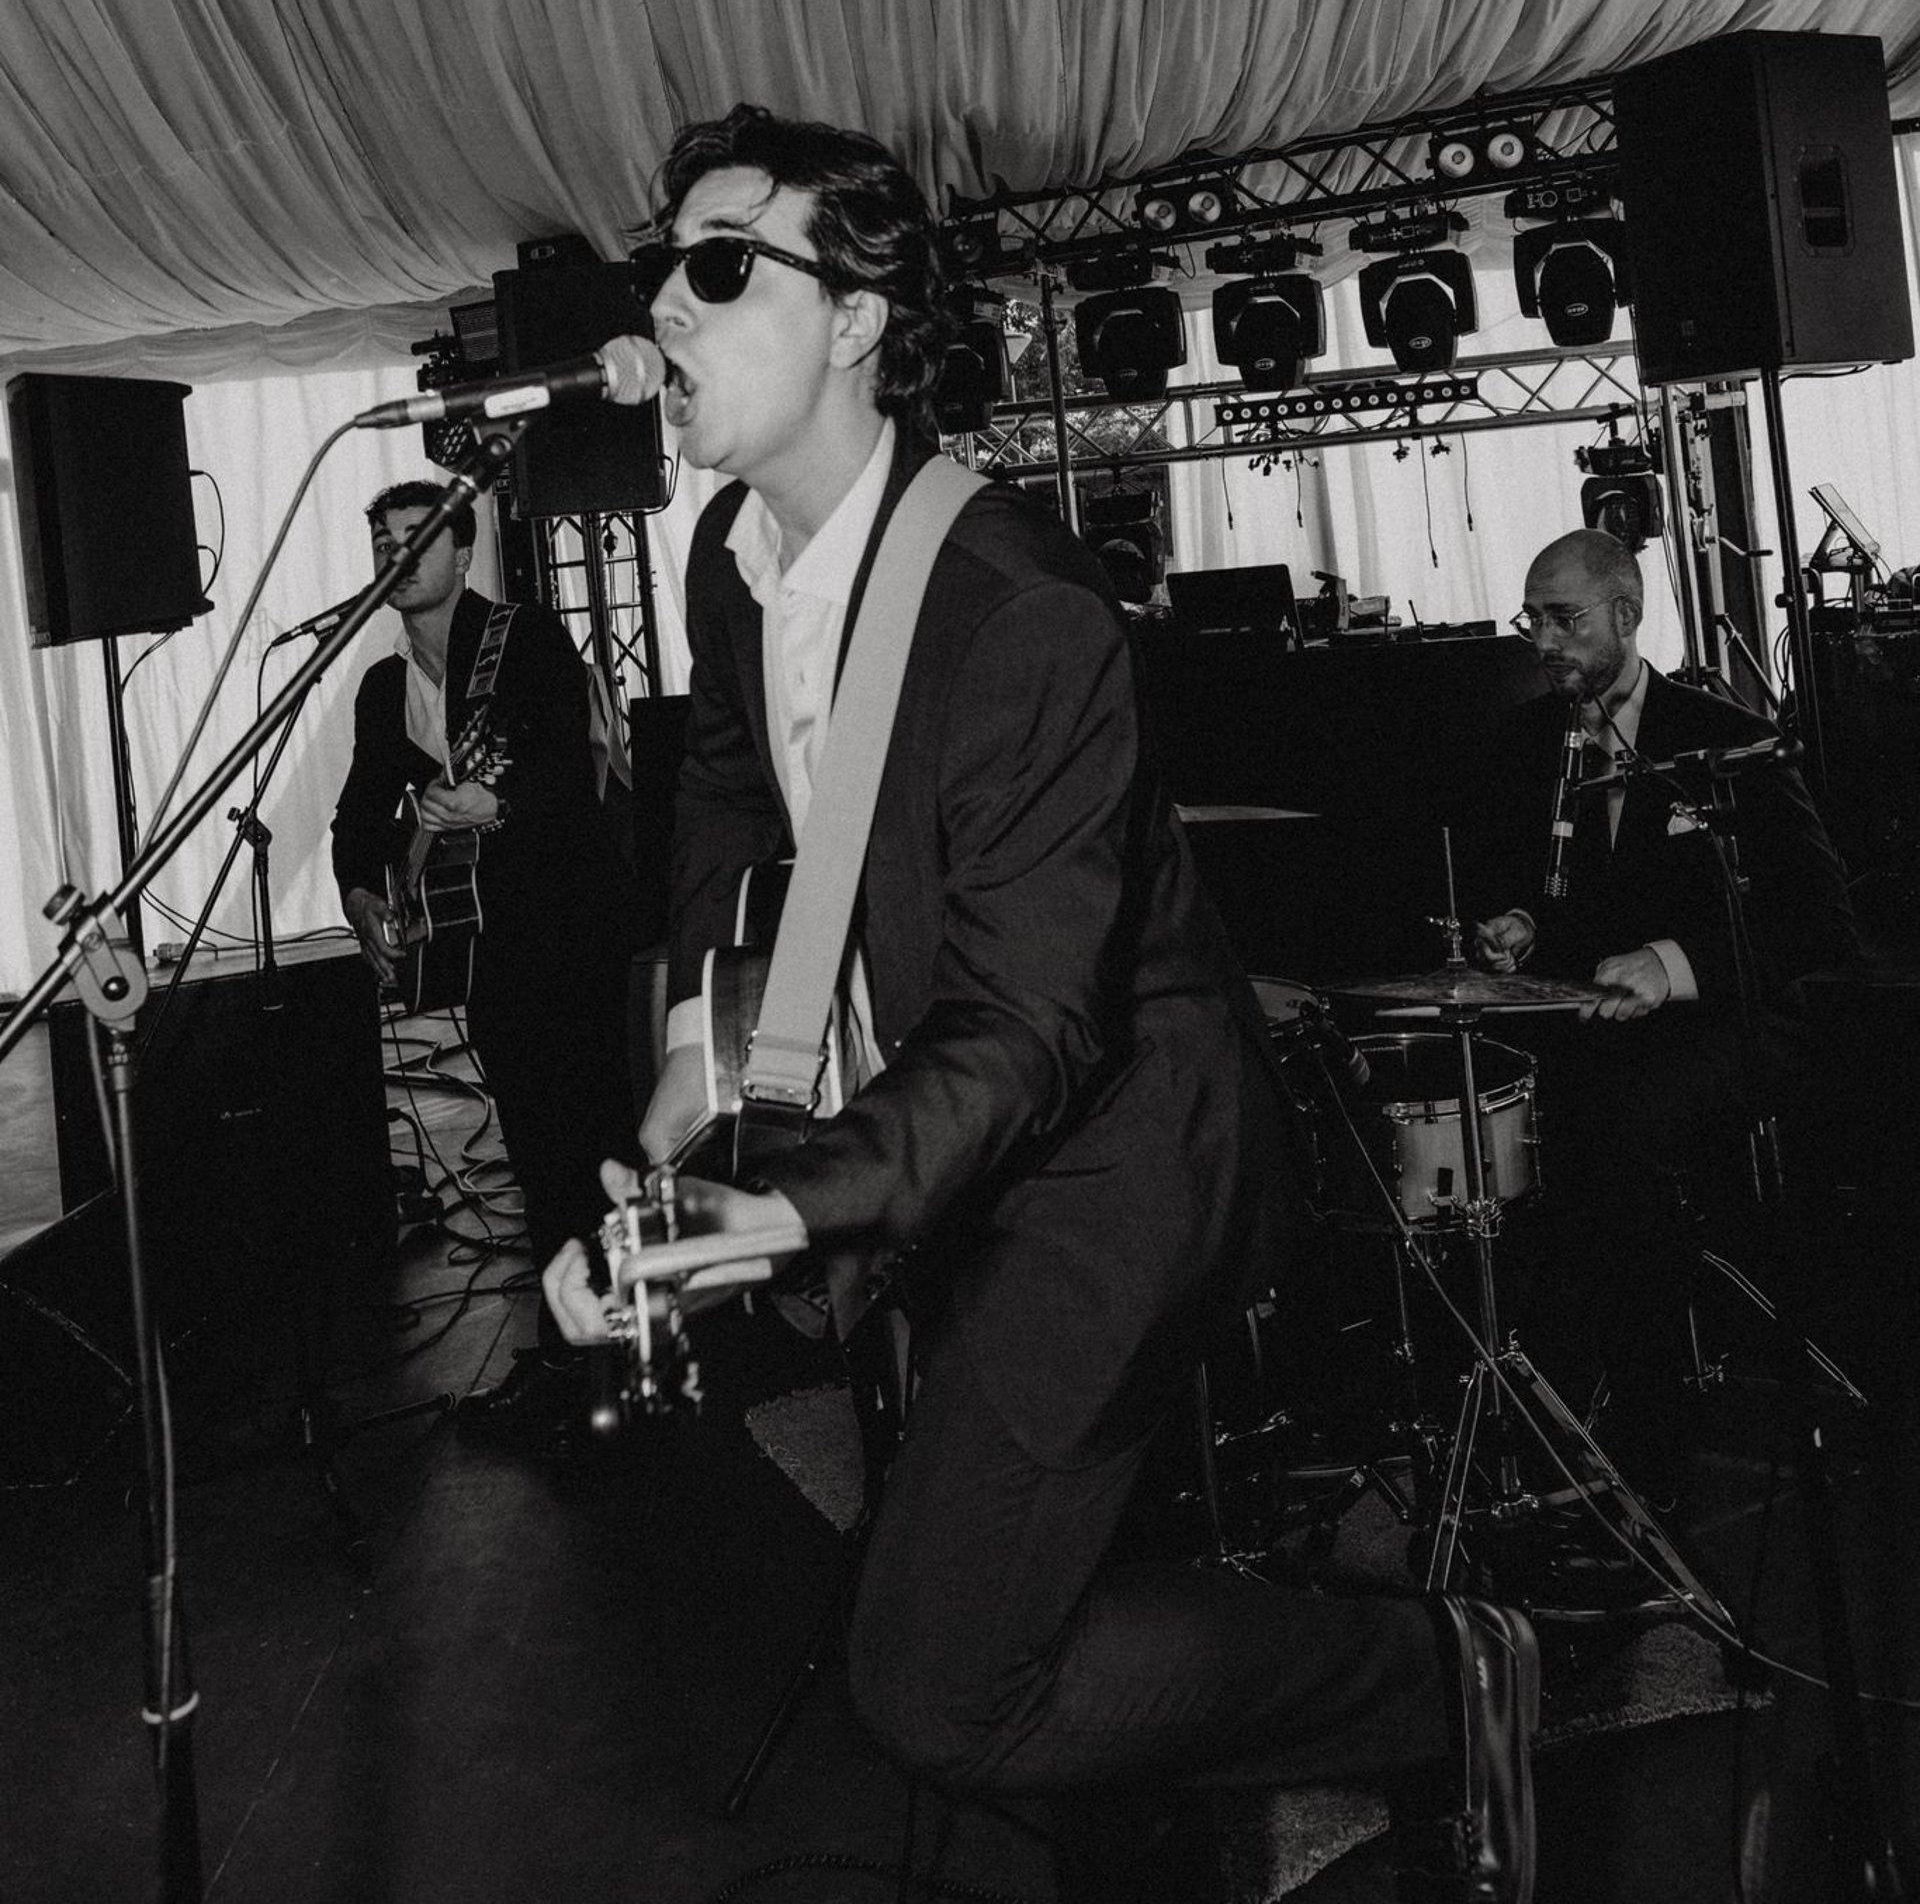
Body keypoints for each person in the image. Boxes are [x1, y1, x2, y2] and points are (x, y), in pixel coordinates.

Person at [543, 104, 1539, 1904]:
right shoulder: (726, 557)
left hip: (1118, 1150)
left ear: (855, 318)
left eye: (720, 266)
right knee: (999, 1626)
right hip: (952, 1116)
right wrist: (701, 1105)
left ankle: (1439, 1674)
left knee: (944, 1682)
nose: (667, 309)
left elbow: (1032, 1029)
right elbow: (727, 820)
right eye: (660, 271)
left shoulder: (1016, 606)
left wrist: (795, 1200)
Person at [1461, 525, 1857, 1506]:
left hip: (1721, 1020)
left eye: (1564, 619)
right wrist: (1517, 927)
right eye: (1531, 620)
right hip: (1585, 1022)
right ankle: (1531, 1411)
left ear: (1627, 614)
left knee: (1608, 1128)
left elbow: (1821, 921)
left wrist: (1672, 964)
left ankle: (1651, 1439)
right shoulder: (1520, 745)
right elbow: (1539, 896)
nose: (1542, 641)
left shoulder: (1725, 737)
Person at [332, 479, 642, 1457]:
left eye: (417, 537)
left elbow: (573, 773)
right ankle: (567, 1358)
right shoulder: (384, 689)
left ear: (463, 554)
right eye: (383, 541)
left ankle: (625, 1360)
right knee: (536, 1154)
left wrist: (495, 806)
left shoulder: (526, 640)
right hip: (490, 950)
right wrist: (362, 894)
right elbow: (358, 813)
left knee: (593, 1142)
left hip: (571, 929)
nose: (397, 555)